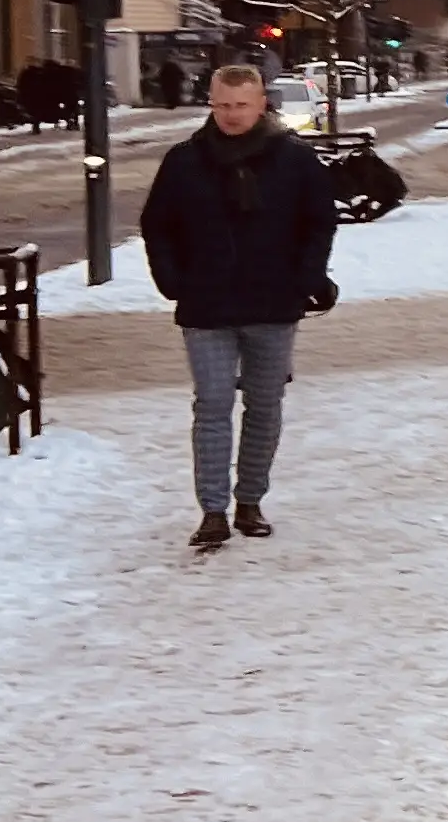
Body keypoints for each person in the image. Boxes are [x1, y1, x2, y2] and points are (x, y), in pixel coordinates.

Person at [137, 57, 341, 552]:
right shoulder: (184, 160)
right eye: (223, 105)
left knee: (264, 406)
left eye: (242, 106)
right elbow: (157, 224)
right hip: (206, 304)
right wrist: (173, 280)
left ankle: (250, 501)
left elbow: (319, 222)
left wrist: (306, 277)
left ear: (261, 105)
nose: (231, 115)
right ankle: (212, 510)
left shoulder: (294, 160)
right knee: (211, 405)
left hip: (274, 302)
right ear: (210, 103)